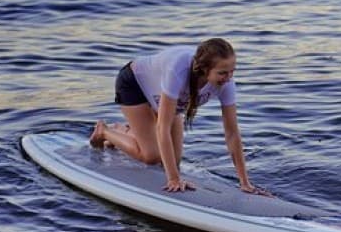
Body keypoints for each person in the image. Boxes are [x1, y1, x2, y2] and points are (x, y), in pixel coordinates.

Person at [89, 38, 268, 195]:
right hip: (134, 84)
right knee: (152, 157)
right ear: (204, 69)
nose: (228, 78)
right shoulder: (178, 70)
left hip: (162, 96)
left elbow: (232, 133)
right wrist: (174, 179)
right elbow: (163, 127)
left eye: (232, 71)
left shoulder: (226, 84)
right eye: (222, 73)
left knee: (173, 161)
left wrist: (244, 182)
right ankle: (105, 131)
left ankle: (127, 130)